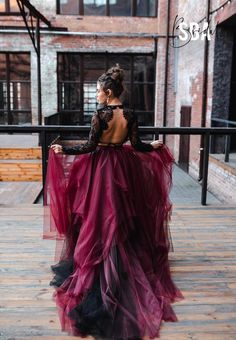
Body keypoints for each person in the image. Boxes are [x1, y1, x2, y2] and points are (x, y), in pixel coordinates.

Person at [43, 64, 184, 339]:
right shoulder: (130, 114)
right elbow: (138, 145)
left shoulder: (100, 114)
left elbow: (90, 147)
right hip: (123, 166)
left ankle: (101, 261)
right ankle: (120, 259)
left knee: (97, 215)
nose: (96, 95)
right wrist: (152, 145)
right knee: (119, 215)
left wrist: (64, 150)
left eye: (97, 91)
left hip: (101, 169)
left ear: (108, 93)